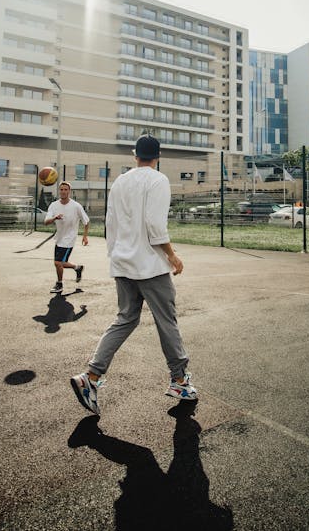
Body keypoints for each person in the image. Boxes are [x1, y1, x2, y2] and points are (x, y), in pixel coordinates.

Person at [70, 134, 197, 416]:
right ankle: (179, 380)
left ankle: (90, 377)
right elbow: (154, 224)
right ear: (158, 156)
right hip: (150, 264)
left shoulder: (120, 182)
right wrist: (171, 254)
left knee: (126, 318)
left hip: (123, 262)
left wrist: (116, 256)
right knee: (167, 320)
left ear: (134, 155)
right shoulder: (158, 180)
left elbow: (111, 224)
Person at [44, 181, 89, 294]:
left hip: (70, 238)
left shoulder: (76, 206)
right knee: (60, 262)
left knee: (58, 263)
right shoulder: (54, 205)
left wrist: (85, 236)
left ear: (69, 191)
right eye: (61, 189)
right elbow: (46, 222)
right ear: (59, 191)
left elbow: (86, 222)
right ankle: (77, 267)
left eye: (66, 189)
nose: (63, 192)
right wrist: (55, 218)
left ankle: (59, 284)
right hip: (59, 237)